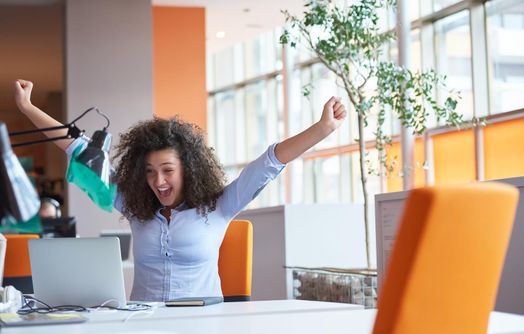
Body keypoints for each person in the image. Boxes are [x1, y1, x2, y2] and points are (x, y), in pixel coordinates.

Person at [13, 79, 347, 302]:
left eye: (168, 171)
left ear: (188, 169)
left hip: (205, 328)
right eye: (150, 172)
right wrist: (28, 107)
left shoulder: (221, 205)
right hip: (144, 327)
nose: (158, 181)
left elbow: (269, 163)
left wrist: (322, 129)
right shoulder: (133, 204)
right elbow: (78, 151)